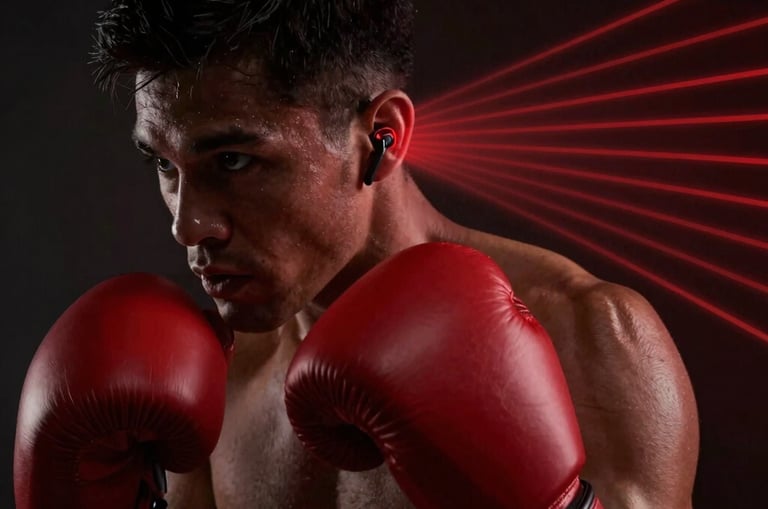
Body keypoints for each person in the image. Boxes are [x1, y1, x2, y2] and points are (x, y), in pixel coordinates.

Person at [86, 1, 699, 507]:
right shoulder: (211, 372)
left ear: (383, 136)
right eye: (165, 166)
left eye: (234, 161)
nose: (188, 226)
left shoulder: (588, 338)